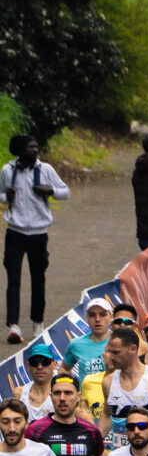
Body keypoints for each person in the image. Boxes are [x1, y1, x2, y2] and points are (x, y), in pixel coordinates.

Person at [0, 138, 68, 345]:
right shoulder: (7, 171)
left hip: (39, 233)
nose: (35, 150)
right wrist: (5, 197)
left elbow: (66, 191)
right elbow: (0, 193)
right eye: (30, 147)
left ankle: (38, 323)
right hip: (15, 231)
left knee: (38, 278)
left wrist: (51, 191)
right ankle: (13, 325)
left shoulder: (45, 169)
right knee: (13, 278)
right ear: (19, 151)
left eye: (36, 147)